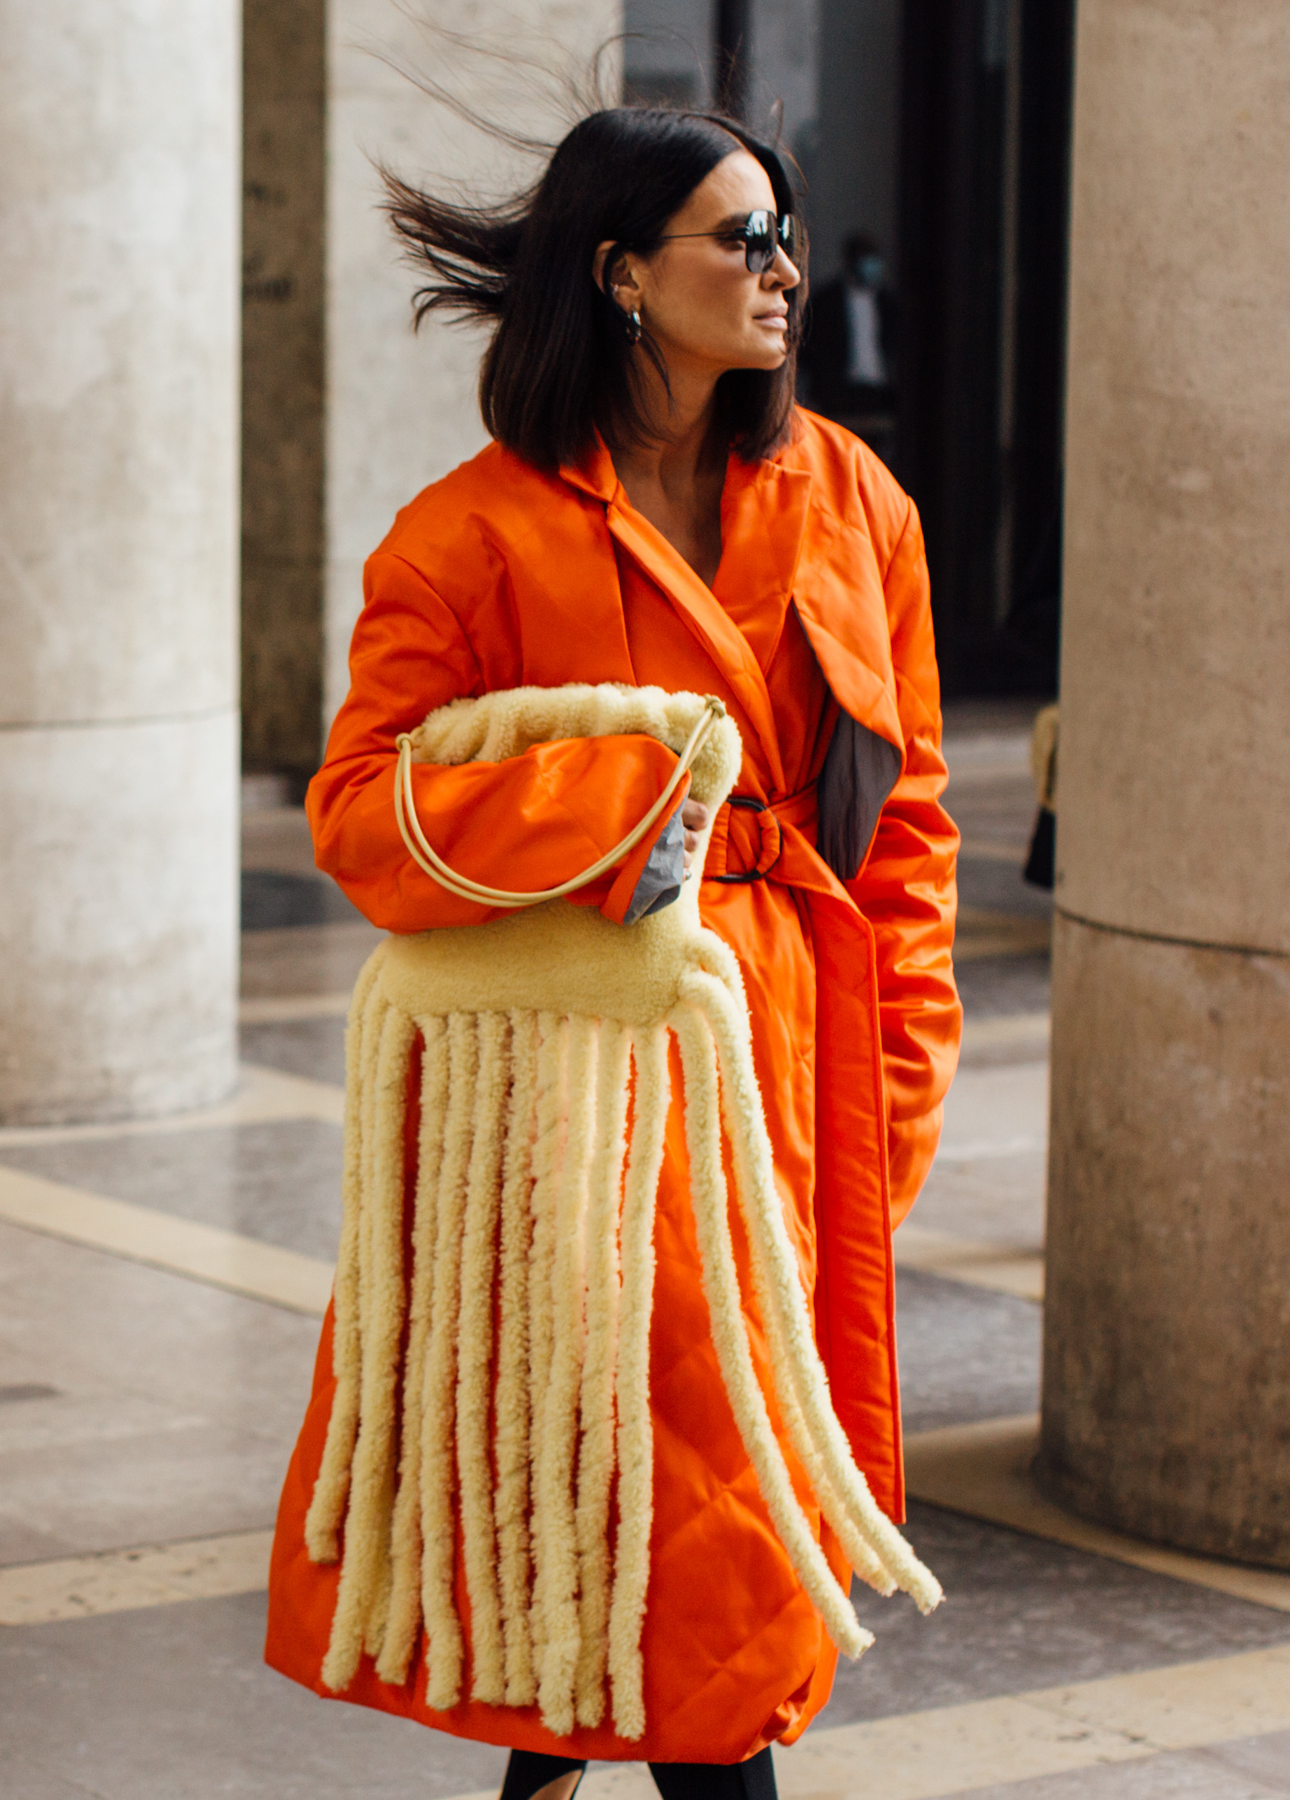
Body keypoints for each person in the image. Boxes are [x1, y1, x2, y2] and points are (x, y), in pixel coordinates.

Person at [262, 106, 961, 1799]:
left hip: (791, 1049)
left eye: (785, 231)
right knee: (637, 1491)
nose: (787, 267)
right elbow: (364, 813)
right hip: (573, 1089)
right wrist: (631, 785)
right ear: (623, 275)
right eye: (744, 237)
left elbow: (913, 815)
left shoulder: (852, 499)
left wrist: (901, 1070)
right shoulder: (469, 536)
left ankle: (561, 1767)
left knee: (682, 1498)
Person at [802, 231, 898, 445]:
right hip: (838, 396)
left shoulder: (887, 302)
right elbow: (809, 348)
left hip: (878, 395)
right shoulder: (826, 301)